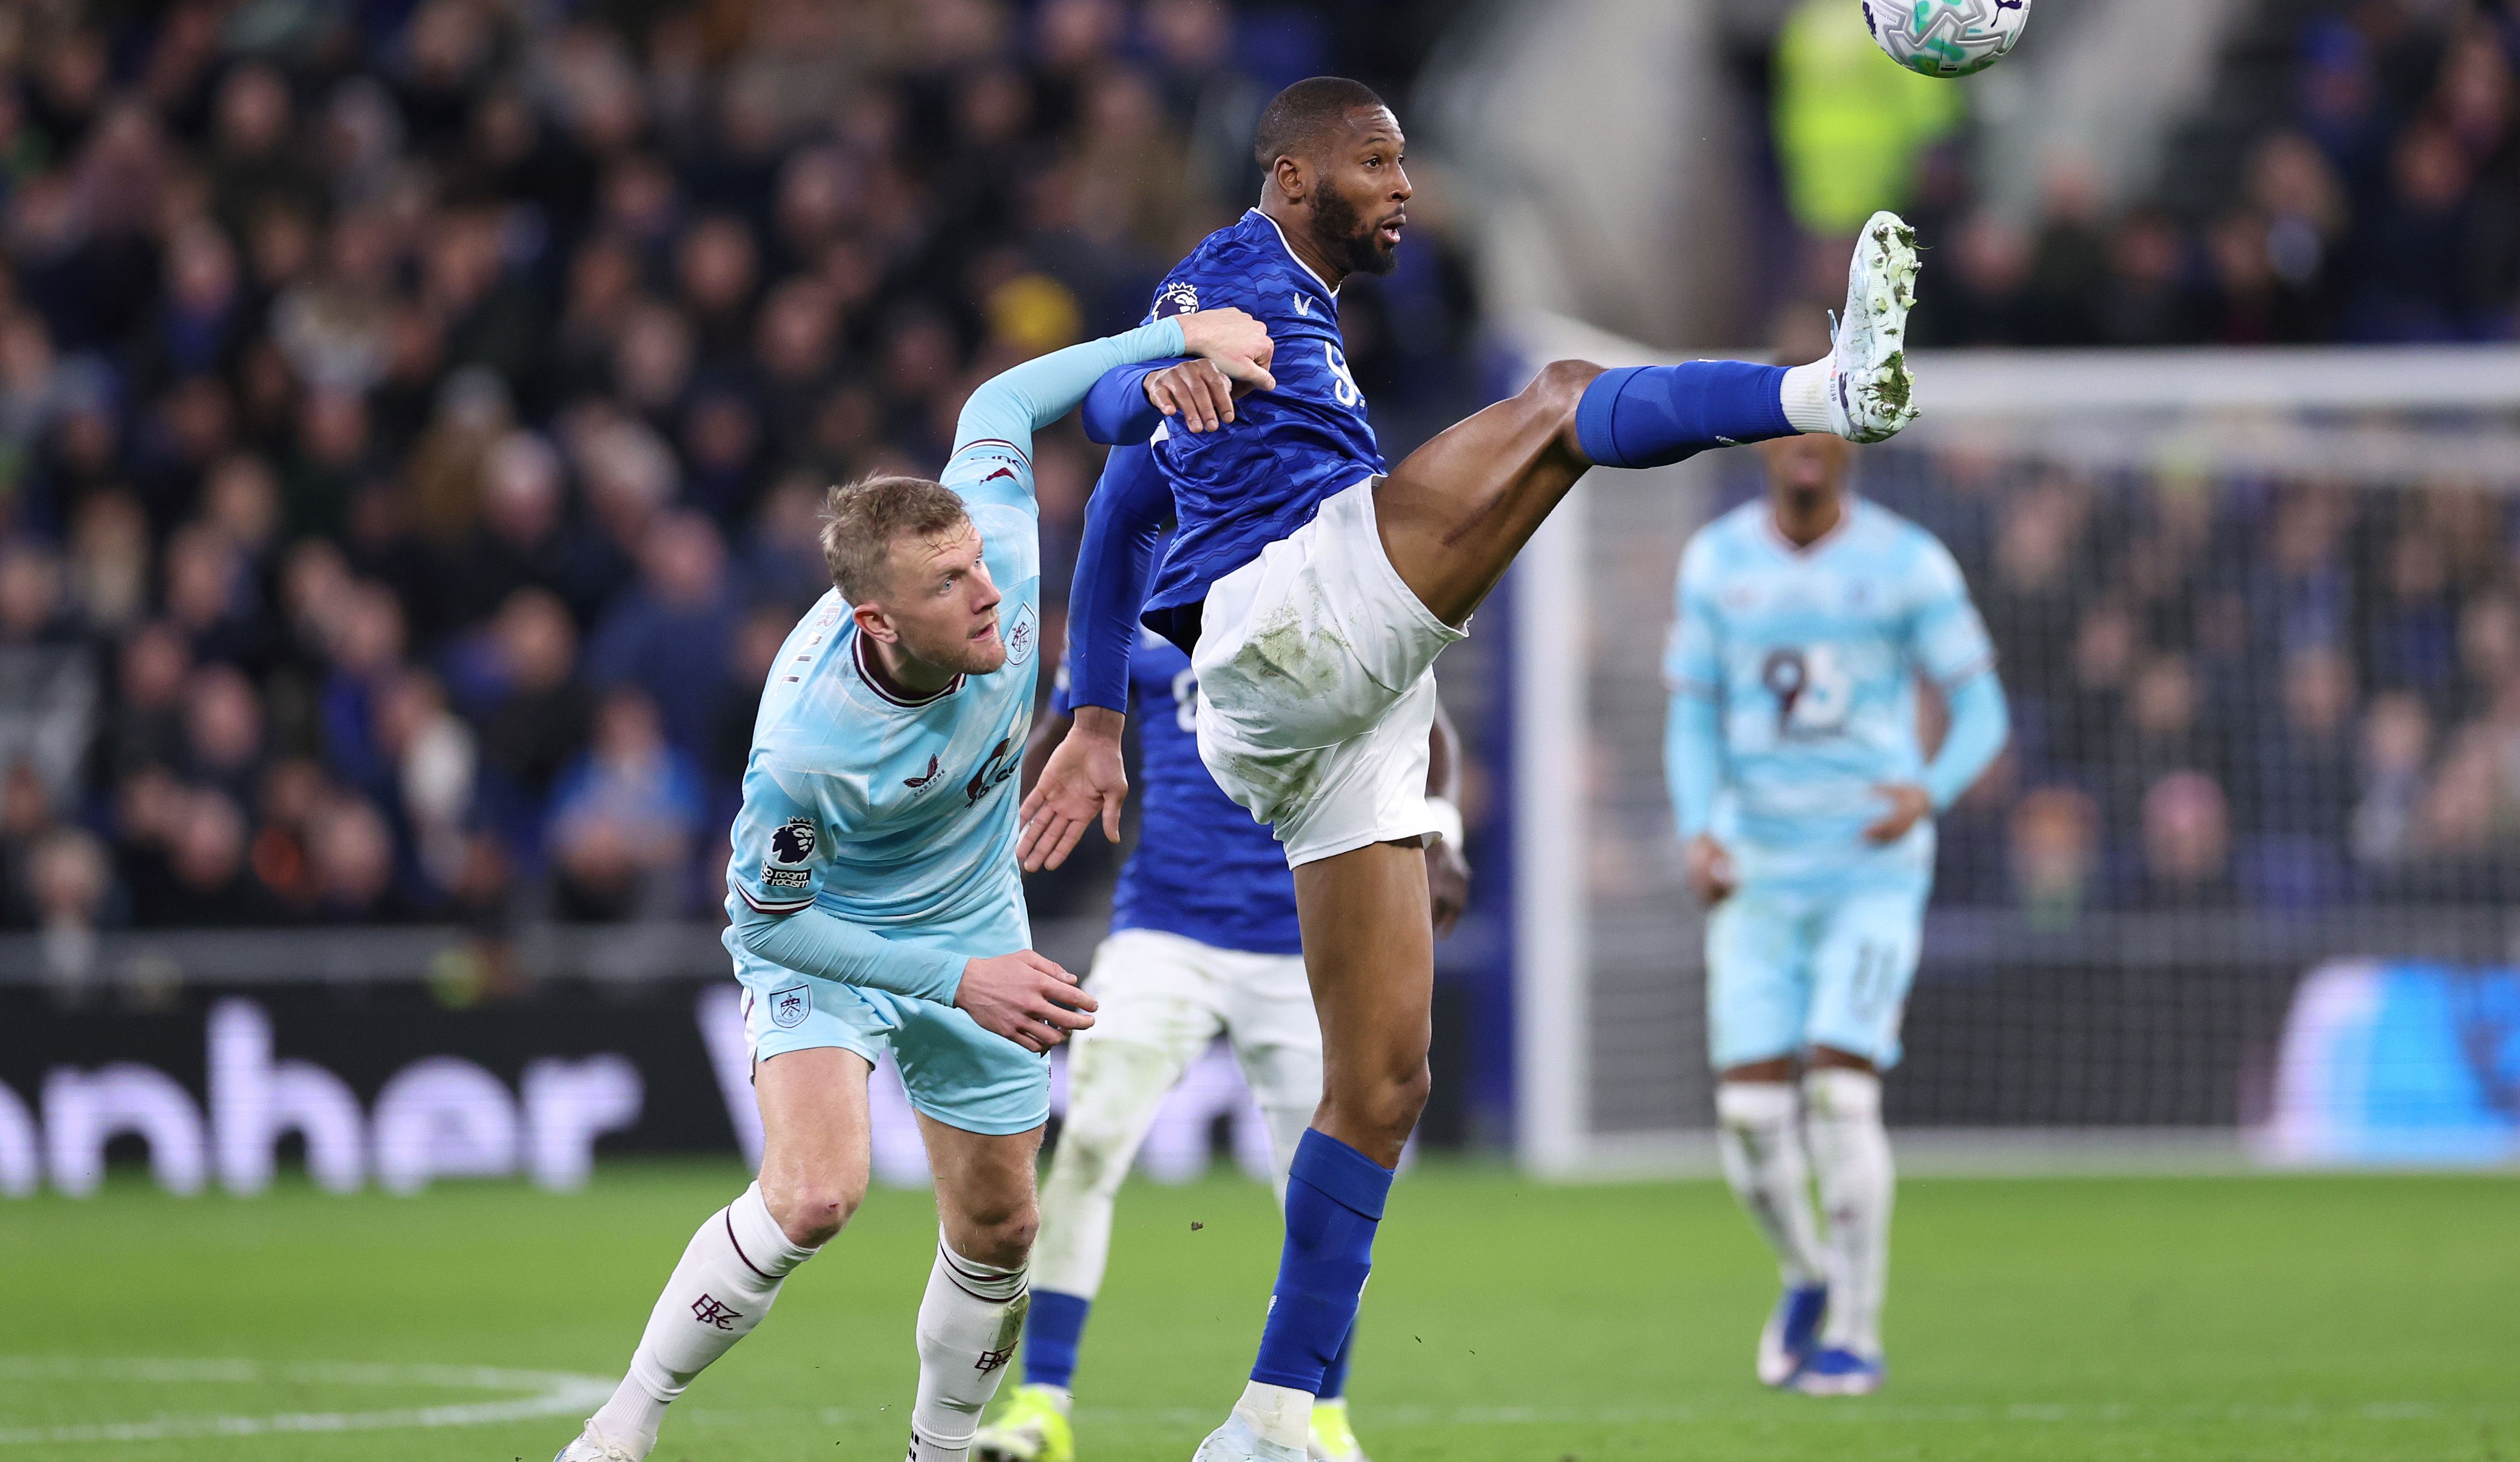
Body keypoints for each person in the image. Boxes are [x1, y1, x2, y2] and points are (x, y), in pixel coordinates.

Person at [1019, 76, 1922, 1461]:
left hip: (1338, 707)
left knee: (1384, 1086)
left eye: (1405, 163)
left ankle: (1273, 1416)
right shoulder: (1232, 273)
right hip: (1278, 631)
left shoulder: (1316, 340)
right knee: (1560, 405)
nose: (1404, 187)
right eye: (1376, 163)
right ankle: (1827, 388)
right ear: (1295, 179)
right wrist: (1151, 375)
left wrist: (1096, 718)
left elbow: (1135, 499)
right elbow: (1111, 418)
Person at [551, 303, 1276, 1462]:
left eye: (980, 563)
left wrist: (1174, 345)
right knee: (815, 1195)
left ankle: (938, 1457)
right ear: (879, 621)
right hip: (834, 928)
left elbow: (997, 405)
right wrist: (959, 981)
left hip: (974, 911)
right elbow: (767, 921)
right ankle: (618, 1431)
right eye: (952, 585)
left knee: (1001, 1226)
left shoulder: (992, 547)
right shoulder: (806, 749)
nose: (991, 595)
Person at [974, 446, 1468, 1462]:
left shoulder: (1328, 582)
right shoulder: (1151, 603)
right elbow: (1069, 737)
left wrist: (1443, 830)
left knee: (1327, 1183)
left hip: (1302, 943)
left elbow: (1434, 727)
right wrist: (981, 835)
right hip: (1165, 928)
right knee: (1093, 1148)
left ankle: (1318, 1414)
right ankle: (1043, 1409)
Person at [1665, 431, 2009, 1396]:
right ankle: (1809, 1276)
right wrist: (1698, 829)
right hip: (1758, 868)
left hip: (1869, 865)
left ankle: (1857, 1336)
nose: (1808, 449)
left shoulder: (1906, 562)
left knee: (1840, 1092)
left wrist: (1927, 791)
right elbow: (1691, 714)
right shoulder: (1716, 560)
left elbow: (1981, 709)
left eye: (1828, 428)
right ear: (1767, 448)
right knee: (1746, 1114)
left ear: (1850, 448)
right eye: (1791, 430)